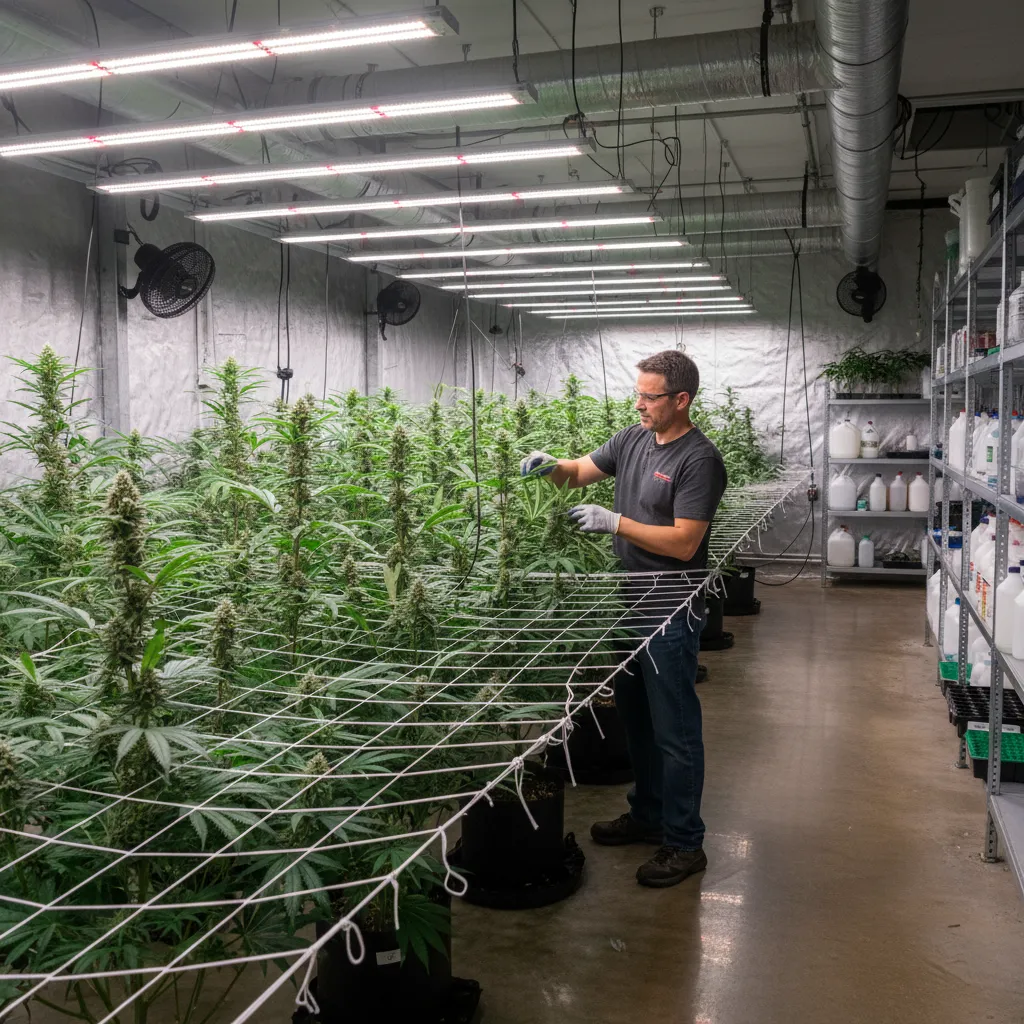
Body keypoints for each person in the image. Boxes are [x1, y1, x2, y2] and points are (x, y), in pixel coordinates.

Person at [520, 349, 726, 888]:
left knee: (675, 732)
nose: (639, 404)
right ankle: (647, 813)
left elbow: (684, 543)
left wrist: (617, 523)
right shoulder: (632, 438)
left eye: (649, 396)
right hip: (627, 604)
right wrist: (549, 467)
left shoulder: (699, 460)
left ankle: (684, 842)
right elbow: (578, 473)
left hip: (669, 613)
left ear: (681, 400)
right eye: (637, 393)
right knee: (635, 722)